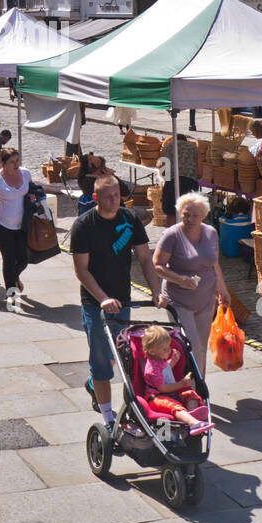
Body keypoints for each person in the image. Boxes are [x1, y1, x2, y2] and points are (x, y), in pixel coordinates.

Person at [70, 173, 164, 427]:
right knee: (102, 363)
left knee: (120, 358)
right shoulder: (83, 226)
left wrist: (156, 291)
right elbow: (81, 270)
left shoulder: (130, 219)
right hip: (95, 304)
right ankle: (109, 418)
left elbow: (145, 258)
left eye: (117, 196)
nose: (114, 201)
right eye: (108, 196)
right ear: (95, 198)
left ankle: (96, 385)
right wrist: (102, 299)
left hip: (123, 300)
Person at [153, 192, 233, 376]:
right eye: (185, 214)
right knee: (192, 346)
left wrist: (223, 290)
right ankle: (188, 386)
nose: (189, 219)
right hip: (178, 299)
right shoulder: (172, 235)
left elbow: (215, 265)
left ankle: (199, 389)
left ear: (203, 216)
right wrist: (180, 279)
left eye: (194, 215)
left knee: (202, 348)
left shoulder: (211, 233)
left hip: (205, 300)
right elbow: (157, 265)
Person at [0, 145, 31, 310]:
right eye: (12, 162)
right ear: (3, 163)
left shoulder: (25, 173)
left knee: (23, 258)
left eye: (17, 160)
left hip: (22, 224)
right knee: (9, 260)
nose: (16, 164)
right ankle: (12, 296)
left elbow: (33, 192)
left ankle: (14, 278)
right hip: (3, 225)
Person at [140, 326, 213, 435]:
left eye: (169, 347)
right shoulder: (152, 369)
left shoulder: (160, 359)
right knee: (174, 406)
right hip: (156, 397)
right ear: (152, 351)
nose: (169, 350)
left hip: (169, 393)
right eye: (165, 349)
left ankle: (191, 415)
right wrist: (182, 384)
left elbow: (165, 371)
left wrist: (173, 361)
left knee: (190, 394)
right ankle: (193, 423)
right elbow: (162, 387)